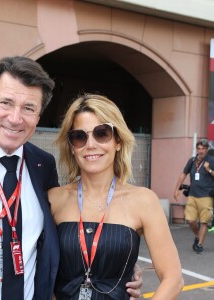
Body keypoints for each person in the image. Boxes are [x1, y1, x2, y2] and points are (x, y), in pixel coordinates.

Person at [0, 57, 142, 300]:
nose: (15, 118)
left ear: (39, 115)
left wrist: (118, 266)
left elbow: (58, 244)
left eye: (28, 108)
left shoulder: (42, 165)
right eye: (6, 102)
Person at [48, 94, 183, 299]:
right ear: (71, 146)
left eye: (102, 133)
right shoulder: (54, 200)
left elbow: (173, 278)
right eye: (79, 136)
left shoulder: (143, 200)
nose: (91, 145)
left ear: (118, 141)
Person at [174, 139, 214, 253]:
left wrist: (209, 169)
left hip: (206, 196)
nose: (201, 151)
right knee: (191, 220)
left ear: (207, 150)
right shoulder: (192, 161)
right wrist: (176, 189)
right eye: (199, 149)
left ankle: (200, 244)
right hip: (192, 195)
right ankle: (197, 236)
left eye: (203, 149)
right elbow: (183, 174)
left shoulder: (211, 160)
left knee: (204, 221)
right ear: (197, 149)